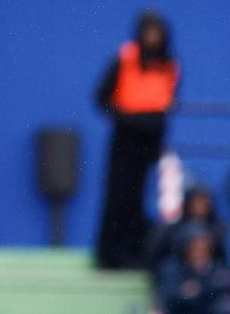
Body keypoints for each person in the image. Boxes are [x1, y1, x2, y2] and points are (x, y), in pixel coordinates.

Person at [94, 10, 178, 270]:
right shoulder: (125, 59)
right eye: (148, 31)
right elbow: (101, 97)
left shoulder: (170, 65)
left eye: (157, 32)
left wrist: (156, 136)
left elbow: (168, 104)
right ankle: (108, 253)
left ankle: (131, 252)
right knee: (117, 195)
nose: (152, 37)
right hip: (125, 137)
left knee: (138, 197)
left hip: (149, 139)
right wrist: (124, 117)